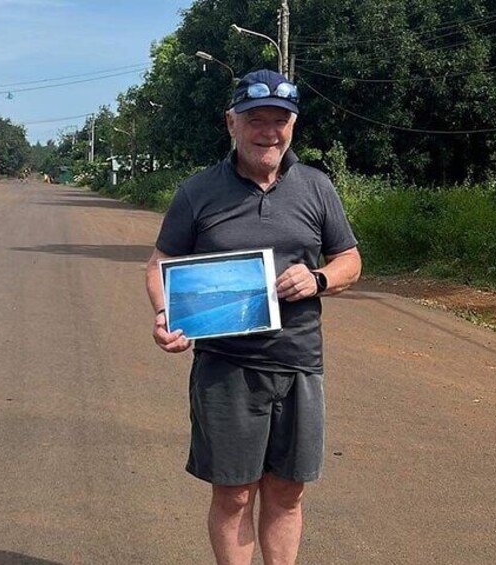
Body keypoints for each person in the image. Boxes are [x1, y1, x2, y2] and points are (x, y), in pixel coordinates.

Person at [145, 69, 361, 565]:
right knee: (235, 493)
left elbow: (350, 259)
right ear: (231, 123)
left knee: (288, 492)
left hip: (300, 364)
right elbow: (159, 264)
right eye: (255, 119)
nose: (269, 131)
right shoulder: (198, 192)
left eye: (279, 120)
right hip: (226, 368)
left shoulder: (317, 187)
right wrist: (164, 312)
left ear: (293, 126)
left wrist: (319, 278)